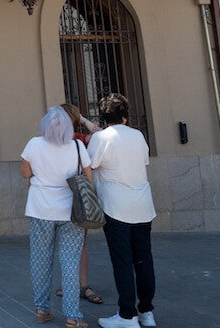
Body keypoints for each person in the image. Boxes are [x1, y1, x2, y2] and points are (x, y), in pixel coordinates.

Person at [88, 93, 157, 328]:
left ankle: (126, 315)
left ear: (104, 116)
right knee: (143, 260)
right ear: (125, 116)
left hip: (115, 206)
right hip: (143, 205)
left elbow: (90, 165)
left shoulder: (101, 138)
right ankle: (146, 311)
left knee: (122, 262)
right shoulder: (138, 136)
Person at [21, 106, 92, 328]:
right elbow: (88, 178)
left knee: (41, 260)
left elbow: (25, 173)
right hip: (71, 211)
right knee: (70, 262)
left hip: (40, 210)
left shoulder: (34, 144)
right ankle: (73, 316)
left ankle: (42, 309)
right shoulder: (78, 146)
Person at [59, 103, 104, 307]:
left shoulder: (77, 140)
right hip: (62, 198)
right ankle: (75, 284)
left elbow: (99, 136)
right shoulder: (48, 140)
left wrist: (83, 120)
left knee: (79, 243)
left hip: (75, 197)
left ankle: (82, 285)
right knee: (71, 244)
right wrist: (83, 120)